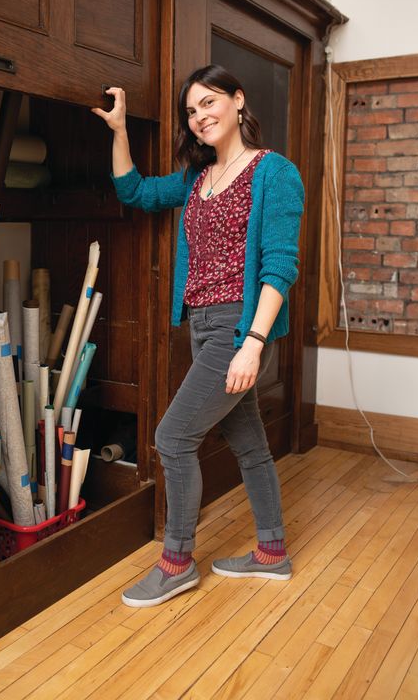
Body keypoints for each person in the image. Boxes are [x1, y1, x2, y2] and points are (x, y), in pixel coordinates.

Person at [92, 64, 304, 608]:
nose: (200, 116)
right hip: (202, 325)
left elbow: (279, 268)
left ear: (238, 101)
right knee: (249, 442)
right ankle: (271, 550)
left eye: (209, 102)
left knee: (171, 437)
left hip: (239, 325)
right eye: (192, 110)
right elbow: (135, 192)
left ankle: (176, 562)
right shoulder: (196, 179)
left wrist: (254, 342)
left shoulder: (274, 173)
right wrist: (119, 132)